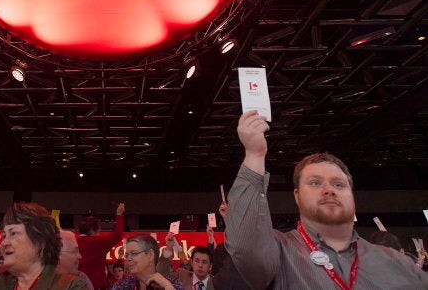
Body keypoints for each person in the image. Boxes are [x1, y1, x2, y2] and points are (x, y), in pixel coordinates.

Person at [226, 110, 428, 289]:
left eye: (338, 184)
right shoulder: (278, 253)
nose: (328, 190)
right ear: (297, 196)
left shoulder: (399, 264)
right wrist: (255, 154)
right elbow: (245, 241)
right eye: (315, 183)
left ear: (352, 194)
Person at [78, 203, 125, 290]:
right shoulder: (96, 242)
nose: (99, 234)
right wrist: (119, 215)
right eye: (98, 231)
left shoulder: (72, 241)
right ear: (92, 230)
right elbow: (117, 236)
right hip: (95, 285)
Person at [113, 234, 183, 290]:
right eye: (127, 255)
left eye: (134, 253)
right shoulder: (122, 285)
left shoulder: (171, 283)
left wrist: (168, 287)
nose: (128, 259)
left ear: (150, 255)